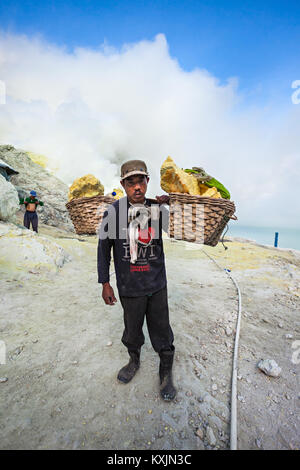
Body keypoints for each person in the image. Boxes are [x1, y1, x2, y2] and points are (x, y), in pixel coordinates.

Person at [97, 160, 176, 401]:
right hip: (129, 286)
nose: (137, 187)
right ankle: (134, 360)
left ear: (147, 182)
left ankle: (165, 370)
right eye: (131, 183)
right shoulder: (113, 212)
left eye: (141, 181)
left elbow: (180, 226)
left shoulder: (157, 209)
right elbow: (103, 249)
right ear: (123, 185)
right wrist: (105, 283)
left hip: (156, 284)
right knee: (132, 329)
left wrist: (173, 203)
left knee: (162, 330)